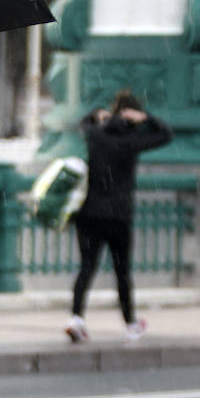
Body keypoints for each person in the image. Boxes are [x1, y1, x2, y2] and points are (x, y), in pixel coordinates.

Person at [65, 89, 174, 344]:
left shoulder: (96, 135)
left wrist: (95, 116)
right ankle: (130, 323)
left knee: (86, 267)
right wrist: (146, 118)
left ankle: (76, 318)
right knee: (122, 272)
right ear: (132, 116)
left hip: (89, 214)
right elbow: (166, 135)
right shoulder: (132, 140)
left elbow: (82, 125)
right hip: (118, 216)